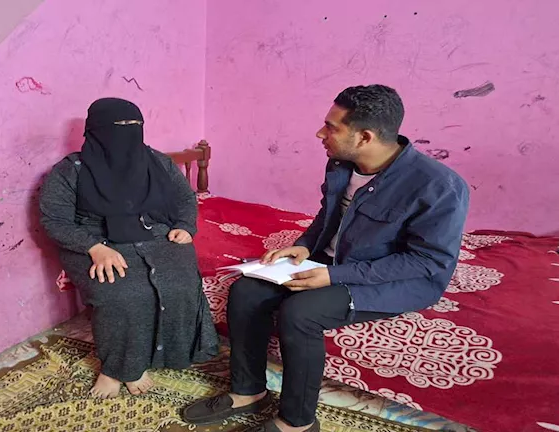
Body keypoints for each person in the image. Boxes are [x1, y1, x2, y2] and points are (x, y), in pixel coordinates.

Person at [182, 85, 469, 432]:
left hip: (396, 279)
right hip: (332, 260)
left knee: (301, 312)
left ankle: (297, 423)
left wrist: (334, 276)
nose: (321, 134)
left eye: (331, 127)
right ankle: (249, 392)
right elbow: (328, 215)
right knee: (246, 290)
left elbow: (426, 262)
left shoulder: (438, 186)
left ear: (365, 137)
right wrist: (304, 246)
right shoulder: (341, 164)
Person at [39, 97, 218, 399]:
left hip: (154, 232)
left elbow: (185, 198)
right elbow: (55, 220)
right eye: (119, 125)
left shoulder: (157, 162)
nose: (128, 131)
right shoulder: (71, 171)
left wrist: (185, 226)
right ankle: (118, 368)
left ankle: (162, 355)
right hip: (94, 240)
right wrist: (94, 247)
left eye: (134, 125)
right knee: (122, 293)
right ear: (96, 130)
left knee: (180, 283)